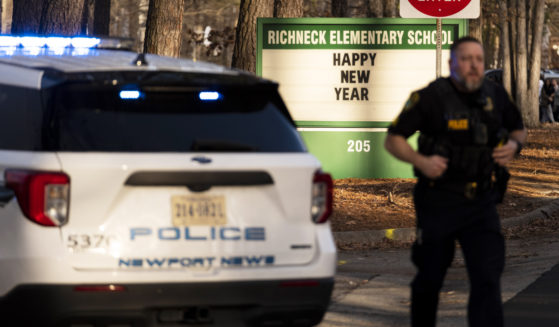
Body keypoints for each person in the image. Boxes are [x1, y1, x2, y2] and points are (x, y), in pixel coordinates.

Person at [384, 36, 526, 327]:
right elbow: (393, 139)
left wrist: (513, 146)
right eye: (466, 59)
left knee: (487, 277)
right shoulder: (431, 97)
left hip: (481, 202)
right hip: (439, 201)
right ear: (452, 63)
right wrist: (421, 161)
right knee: (430, 277)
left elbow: (518, 129)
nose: (474, 66)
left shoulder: (495, 95)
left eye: (478, 59)